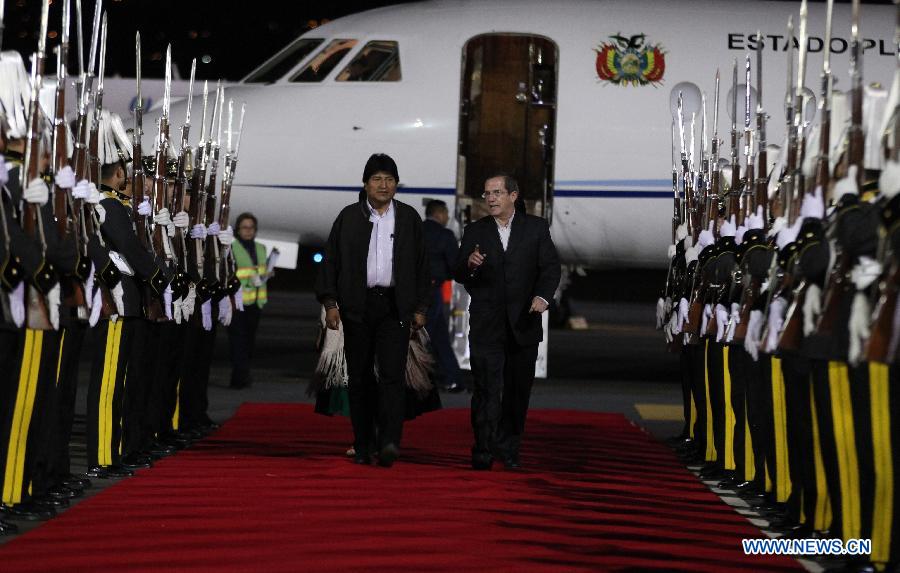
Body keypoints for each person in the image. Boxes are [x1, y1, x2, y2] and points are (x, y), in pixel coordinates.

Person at [316, 153, 430, 468]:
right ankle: (363, 443)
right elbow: (331, 262)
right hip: (357, 306)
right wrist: (330, 303)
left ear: (397, 184)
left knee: (393, 376)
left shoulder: (408, 218)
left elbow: (422, 265)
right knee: (360, 378)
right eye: (377, 179)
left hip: (395, 306)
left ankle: (390, 441)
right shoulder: (349, 217)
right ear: (366, 183)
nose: (383, 185)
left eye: (389, 179)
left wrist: (420, 307)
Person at [454, 173, 560, 470]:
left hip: (524, 323)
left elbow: (550, 268)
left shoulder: (535, 228)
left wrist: (543, 296)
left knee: (516, 392)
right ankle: (483, 448)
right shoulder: (475, 230)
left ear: (513, 196)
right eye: (487, 193)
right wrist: (469, 265)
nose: (490, 198)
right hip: (487, 324)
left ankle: (509, 447)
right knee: (486, 388)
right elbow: (459, 273)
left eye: (497, 192)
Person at [423, 199, 462, 392]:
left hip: (412, 290)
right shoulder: (445, 236)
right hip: (432, 291)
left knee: (439, 337)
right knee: (425, 335)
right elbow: (455, 267)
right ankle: (413, 377)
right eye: (446, 214)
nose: (447, 218)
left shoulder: (413, 231)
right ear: (439, 214)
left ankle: (452, 377)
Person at [228, 212, 271, 389]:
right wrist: (250, 278)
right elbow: (231, 274)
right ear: (238, 229)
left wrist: (267, 274)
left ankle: (243, 374)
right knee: (238, 342)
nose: (248, 230)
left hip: (255, 303)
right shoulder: (231, 248)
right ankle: (239, 378)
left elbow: (261, 271)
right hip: (236, 303)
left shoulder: (261, 248)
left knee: (249, 342)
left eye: (251, 227)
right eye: (244, 227)